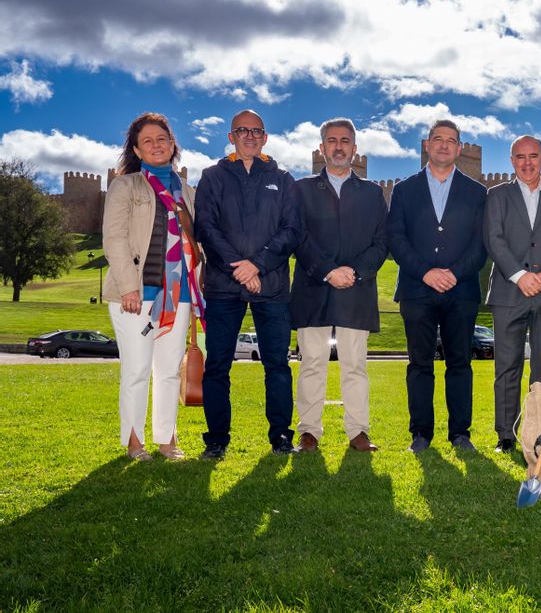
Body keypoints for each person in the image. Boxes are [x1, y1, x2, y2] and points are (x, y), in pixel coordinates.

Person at [194, 109, 299, 459]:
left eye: (256, 131)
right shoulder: (212, 176)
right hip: (224, 286)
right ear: (231, 137)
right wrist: (238, 268)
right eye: (242, 130)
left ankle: (281, 436)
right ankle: (217, 440)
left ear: (265, 137)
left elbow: (291, 231)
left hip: (272, 286)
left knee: (278, 366)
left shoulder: (282, 178)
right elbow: (206, 228)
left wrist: (257, 265)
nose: (249, 136)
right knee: (218, 366)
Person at [102, 113, 204, 461]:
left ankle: (167, 439)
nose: (156, 145)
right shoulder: (126, 186)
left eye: (162, 139)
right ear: (137, 150)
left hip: (179, 295)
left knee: (169, 370)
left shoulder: (186, 191)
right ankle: (134, 442)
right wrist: (129, 287)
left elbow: (195, 244)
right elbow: (114, 238)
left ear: (172, 144)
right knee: (136, 370)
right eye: (148, 141)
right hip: (136, 295)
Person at [387, 119, 487, 453]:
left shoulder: (477, 192)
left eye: (451, 140)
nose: (444, 145)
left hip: (461, 292)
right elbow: (396, 239)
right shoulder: (404, 189)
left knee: (460, 363)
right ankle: (421, 434)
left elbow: (481, 244)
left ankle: (460, 433)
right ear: (427, 145)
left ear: (459, 148)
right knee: (419, 364)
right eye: (438, 139)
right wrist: (427, 272)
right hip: (417, 290)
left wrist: (454, 273)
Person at [289, 118, 389, 454]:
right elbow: (297, 237)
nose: (338, 146)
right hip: (313, 287)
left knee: (355, 365)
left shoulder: (373, 193)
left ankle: (358, 432)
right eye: (331, 140)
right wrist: (328, 271)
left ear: (355, 149)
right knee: (312, 363)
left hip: (357, 290)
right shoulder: (301, 190)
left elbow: (381, 241)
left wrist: (355, 272)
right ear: (321, 148)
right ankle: (308, 433)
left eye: (345, 141)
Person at [483, 135, 541, 453]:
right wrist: (521, 276)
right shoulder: (497, 195)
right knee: (507, 366)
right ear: (511, 161)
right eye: (520, 157)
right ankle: (506, 435)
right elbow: (493, 238)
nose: (527, 163)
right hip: (509, 292)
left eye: (533, 156)